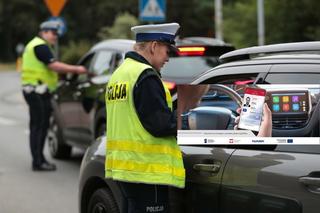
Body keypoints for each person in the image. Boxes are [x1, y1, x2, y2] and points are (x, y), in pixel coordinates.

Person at [105, 23, 185, 213]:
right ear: (154, 46)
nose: (168, 58)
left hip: (124, 167)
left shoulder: (119, 74)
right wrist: (188, 119)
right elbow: (160, 124)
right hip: (147, 170)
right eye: (167, 51)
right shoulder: (145, 76)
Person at [21, 20, 87, 171]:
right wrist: (76, 69)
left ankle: (38, 159)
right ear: (44, 32)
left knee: (38, 126)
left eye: (56, 34)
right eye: (52, 33)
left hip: (34, 90)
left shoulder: (35, 45)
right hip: (37, 91)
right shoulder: (40, 46)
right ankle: (38, 162)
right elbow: (54, 66)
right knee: (40, 126)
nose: (55, 37)